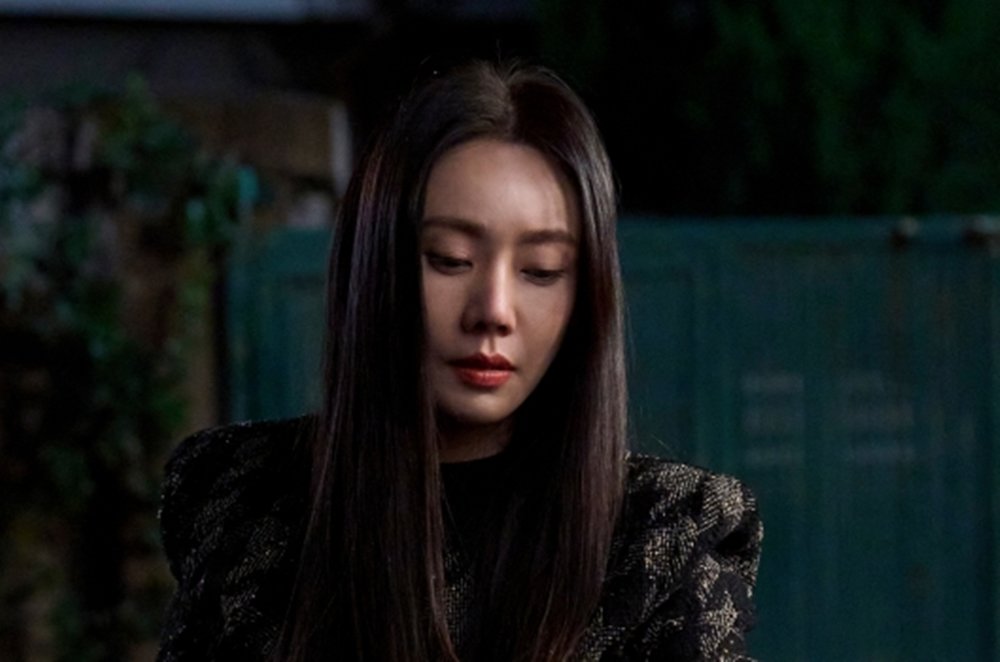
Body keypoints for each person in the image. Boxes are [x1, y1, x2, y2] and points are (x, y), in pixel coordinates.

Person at [157, 60, 762, 661]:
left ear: (586, 295)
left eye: (541, 270)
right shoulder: (242, 498)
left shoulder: (664, 539)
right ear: (376, 267)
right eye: (449, 259)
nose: (494, 310)